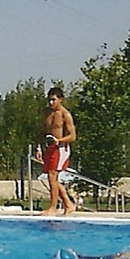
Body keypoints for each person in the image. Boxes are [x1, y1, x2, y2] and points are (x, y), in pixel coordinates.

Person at [39, 86, 77, 215]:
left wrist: (59, 141)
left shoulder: (65, 114)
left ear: (61, 100)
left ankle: (53, 207)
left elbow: (72, 136)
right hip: (49, 147)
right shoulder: (46, 113)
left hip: (61, 148)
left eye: (53, 100)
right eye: (49, 100)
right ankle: (68, 204)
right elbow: (41, 132)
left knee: (52, 175)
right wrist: (38, 148)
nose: (51, 103)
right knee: (52, 178)